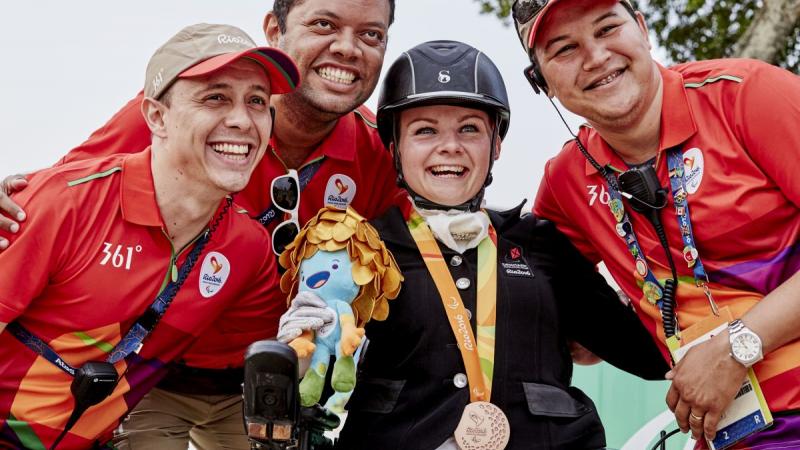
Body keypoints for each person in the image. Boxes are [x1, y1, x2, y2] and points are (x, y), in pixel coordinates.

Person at [0, 1, 404, 448]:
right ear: (275, 28)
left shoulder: (378, 152)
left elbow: (430, 233)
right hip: (151, 379)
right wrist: (16, 200)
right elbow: (61, 193)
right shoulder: (173, 106)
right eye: (324, 24)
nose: (347, 48)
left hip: (255, 378)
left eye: (371, 35)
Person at [280, 40, 669, 450]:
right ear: (394, 149)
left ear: (496, 145)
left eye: (469, 128)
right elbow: (316, 391)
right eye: (425, 130)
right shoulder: (362, 250)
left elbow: (649, 355)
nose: (450, 145)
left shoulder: (540, 241)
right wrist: (301, 353)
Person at [512, 0, 800, 447]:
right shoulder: (565, 182)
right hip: (731, 435)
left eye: (608, 28)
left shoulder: (746, 94)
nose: (596, 57)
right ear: (541, 82)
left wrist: (738, 346)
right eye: (564, 49)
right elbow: (541, 300)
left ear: (643, 30)